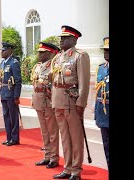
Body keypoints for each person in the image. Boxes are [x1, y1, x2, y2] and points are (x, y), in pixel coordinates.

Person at [50, 25, 90, 180]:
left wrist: (81, 103)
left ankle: (76, 171)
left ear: (74, 39)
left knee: (76, 137)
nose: (61, 40)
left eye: (65, 38)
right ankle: (67, 168)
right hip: (58, 101)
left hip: (71, 102)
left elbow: (84, 82)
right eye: (61, 37)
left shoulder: (80, 56)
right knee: (65, 137)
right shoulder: (58, 57)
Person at [31, 42, 60, 168]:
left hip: (48, 101)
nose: (39, 54)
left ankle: (54, 158)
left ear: (50, 53)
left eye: (42, 52)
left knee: (52, 131)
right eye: (39, 52)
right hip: (38, 100)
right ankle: (47, 156)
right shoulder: (37, 66)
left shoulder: (53, 67)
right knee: (44, 131)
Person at [0, 42, 22, 146]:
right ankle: (9, 137)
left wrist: (16, 96)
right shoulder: (2, 63)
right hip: (4, 91)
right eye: (2, 50)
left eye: (4, 50)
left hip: (11, 93)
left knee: (13, 116)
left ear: (10, 51)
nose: (2, 52)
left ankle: (15, 138)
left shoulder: (14, 63)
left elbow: (18, 81)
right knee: (6, 116)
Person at [94, 37, 109, 170]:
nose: (106, 53)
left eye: (108, 50)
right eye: (105, 50)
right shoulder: (101, 69)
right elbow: (98, 93)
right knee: (107, 146)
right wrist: (96, 114)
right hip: (103, 114)